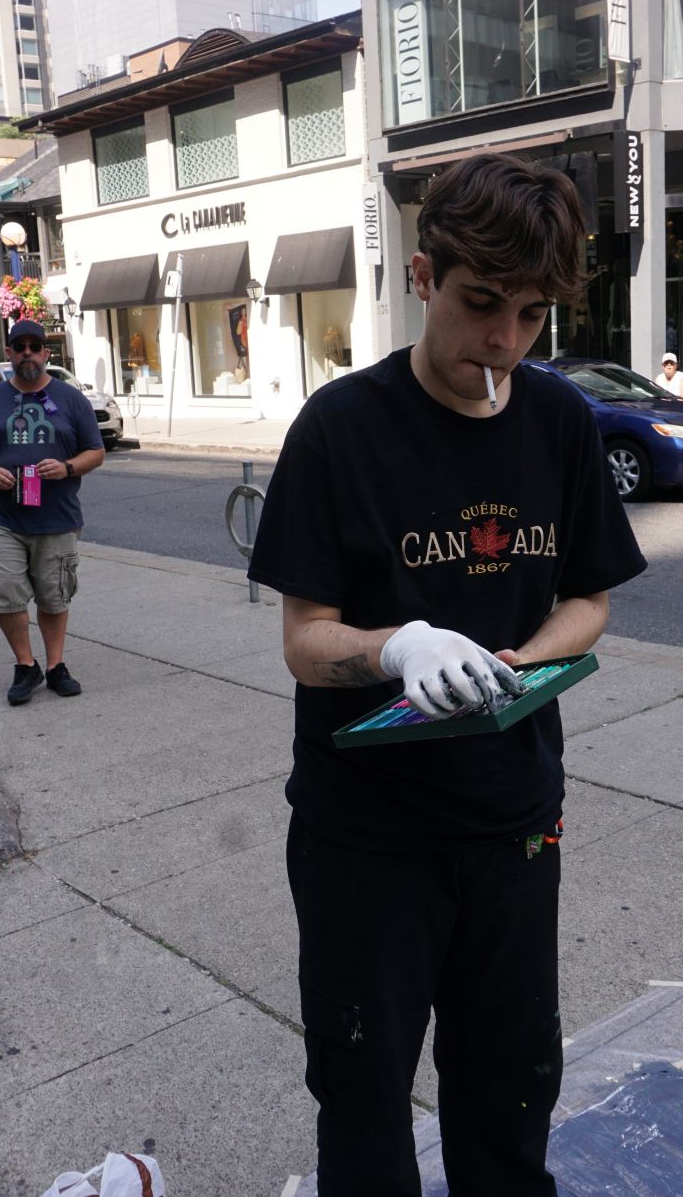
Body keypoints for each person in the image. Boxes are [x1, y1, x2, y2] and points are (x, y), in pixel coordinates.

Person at [248, 153, 647, 1197]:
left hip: (512, 818)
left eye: (530, 315)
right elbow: (303, 638)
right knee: (364, 1084)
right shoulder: (341, 428)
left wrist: (526, 657)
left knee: (511, 1079)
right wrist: (397, 647)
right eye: (481, 305)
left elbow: (590, 599)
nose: (504, 341)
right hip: (364, 834)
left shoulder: (559, 420)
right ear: (422, 276)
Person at [0, 318, 104, 705]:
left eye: (34, 346)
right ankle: (26, 665)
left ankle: (56, 665)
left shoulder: (71, 399)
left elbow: (96, 451)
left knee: (54, 595)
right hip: (1, 516)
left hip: (56, 515)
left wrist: (68, 467)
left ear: (45, 352)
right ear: (8, 353)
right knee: (4, 591)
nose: (27, 353)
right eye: (18, 346)